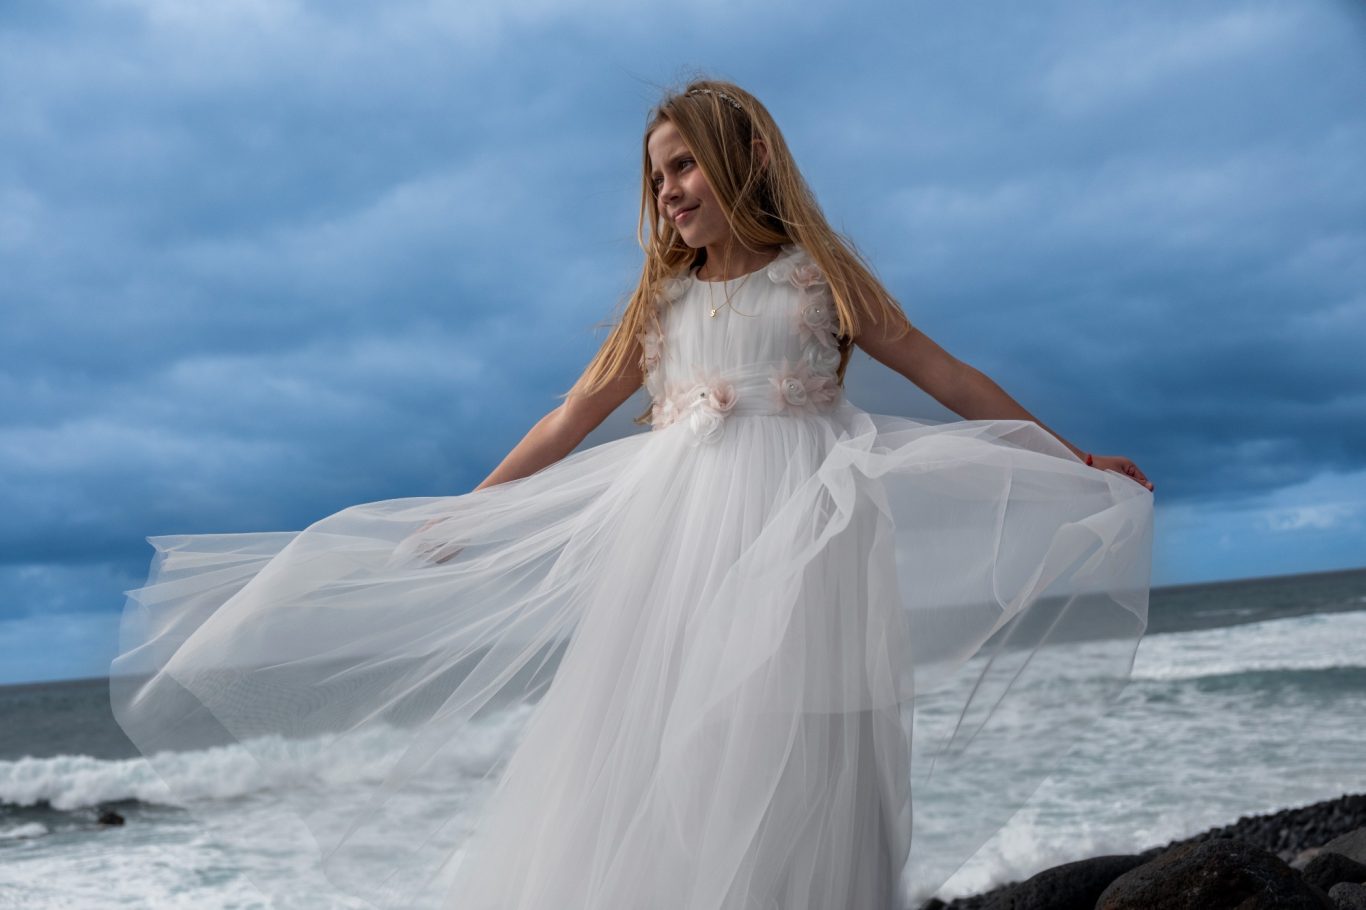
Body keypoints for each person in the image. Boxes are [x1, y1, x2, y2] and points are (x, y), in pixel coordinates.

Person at [111, 78, 1155, 910]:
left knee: (807, 741)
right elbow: (568, 417)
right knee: (682, 741)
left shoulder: (819, 278)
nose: (668, 193)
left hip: (808, 537)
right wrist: (475, 508)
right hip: (678, 546)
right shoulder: (659, 306)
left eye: (683, 164)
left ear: (746, 157)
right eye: (656, 178)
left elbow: (946, 375)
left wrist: (1069, 459)